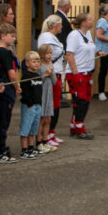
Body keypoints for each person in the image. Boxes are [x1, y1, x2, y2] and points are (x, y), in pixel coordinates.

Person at [65, 13, 97, 140]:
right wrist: (75, 72)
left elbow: (90, 48)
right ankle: (79, 128)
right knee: (81, 101)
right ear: (83, 22)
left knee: (86, 100)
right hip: (77, 73)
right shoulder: (74, 35)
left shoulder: (88, 34)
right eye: (90, 19)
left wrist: (98, 52)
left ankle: (74, 125)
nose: (93, 21)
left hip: (87, 72)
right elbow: (70, 54)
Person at [0, 24, 20, 163]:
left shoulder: (0, 51)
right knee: (3, 121)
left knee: (0, 120)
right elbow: (11, 73)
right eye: (12, 36)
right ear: (3, 36)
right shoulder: (4, 53)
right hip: (6, 90)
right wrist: (17, 87)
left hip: (2, 89)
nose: (14, 39)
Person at [37, 16, 67, 146]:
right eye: (60, 25)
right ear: (56, 25)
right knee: (51, 105)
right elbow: (47, 55)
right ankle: (46, 134)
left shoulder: (52, 38)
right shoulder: (46, 37)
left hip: (58, 72)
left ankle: (52, 132)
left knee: (56, 103)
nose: (62, 27)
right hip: (51, 73)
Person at [18, 51, 44, 159]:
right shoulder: (26, 76)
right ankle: (24, 150)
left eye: (38, 61)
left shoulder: (38, 76)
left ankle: (31, 147)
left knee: (34, 128)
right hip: (29, 106)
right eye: (34, 61)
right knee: (26, 128)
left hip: (38, 105)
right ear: (28, 63)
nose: (36, 63)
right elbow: (25, 92)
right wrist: (30, 104)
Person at [35, 45, 57, 154]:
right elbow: (36, 80)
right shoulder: (38, 65)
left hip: (49, 92)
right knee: (42, 119)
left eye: (51, 53)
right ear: (42, 54)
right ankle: (38, 141)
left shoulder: (50, 64)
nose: (49, 55)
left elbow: (54, 81)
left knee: (48, 118)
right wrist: (45, 74)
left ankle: (45, 140)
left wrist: (52, 73)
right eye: (47, 53)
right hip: (42, 92)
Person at [94, 3, 108, 101]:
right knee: (103, 71)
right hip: (105, 51)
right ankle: (101, 92)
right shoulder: (102, 21)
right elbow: (99, 35)